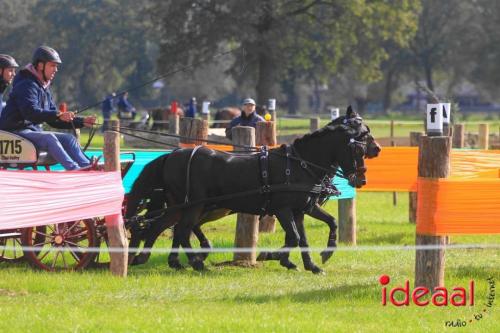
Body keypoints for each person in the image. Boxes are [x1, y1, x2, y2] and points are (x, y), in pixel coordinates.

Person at [0, 45, 96, 170]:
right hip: (14, 132)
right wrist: (58, 114)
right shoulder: (26, 85)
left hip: (31, 132)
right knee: (49, 138)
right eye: (52, 65)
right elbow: (31, 113)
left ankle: (87, 166)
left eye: (56, 66)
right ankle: (74, 169)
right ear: (40, 66)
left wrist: (82, 121)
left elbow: (53, 120)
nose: (56, 70)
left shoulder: (44, 87)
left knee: (69, 138)